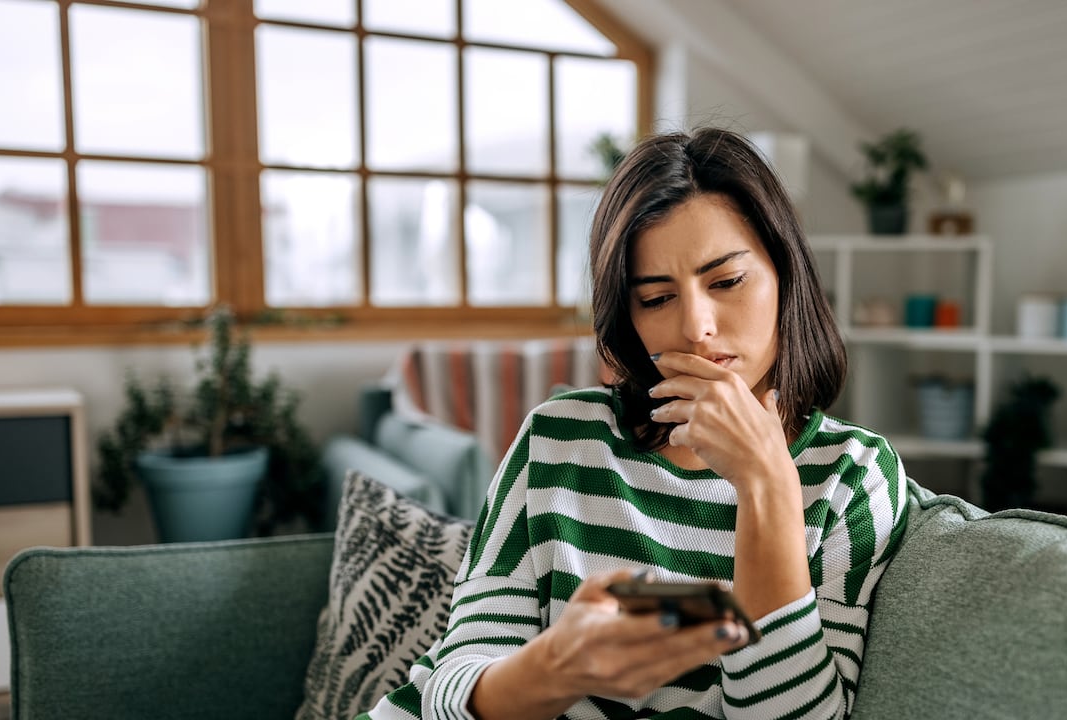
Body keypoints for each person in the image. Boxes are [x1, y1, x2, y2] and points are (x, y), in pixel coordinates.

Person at [362, 127, 909, 719]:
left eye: (726, 282)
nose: (696, 327)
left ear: (786, 274)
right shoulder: (559, 438)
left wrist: (767, 484)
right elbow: (453, 686)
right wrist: (559, 667)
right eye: (656, 299)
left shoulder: (852, 477)